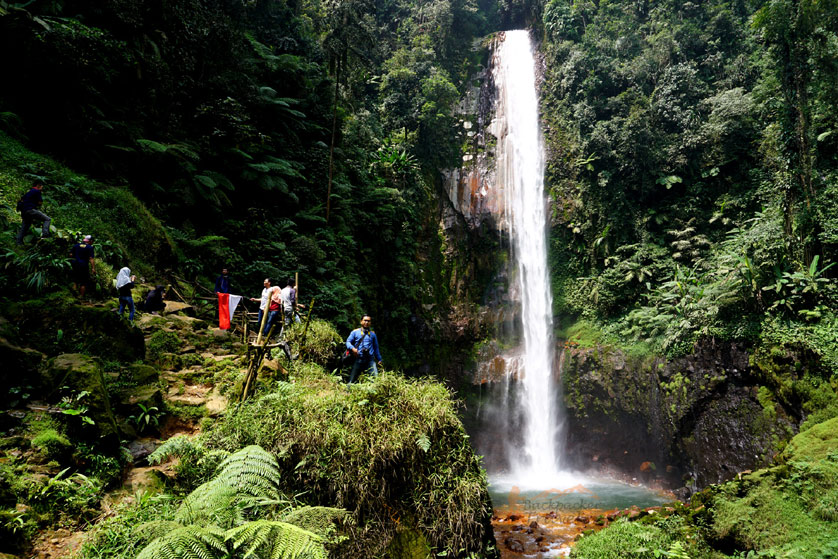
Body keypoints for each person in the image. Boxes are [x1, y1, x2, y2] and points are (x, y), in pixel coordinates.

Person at [346, 315, 383, 384]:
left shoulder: (373, 334)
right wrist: (353, 349)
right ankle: (347, 392)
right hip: (358, 358)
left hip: (370, 359)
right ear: (361, 321)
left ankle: (374, 393)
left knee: (375, 378)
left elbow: (376, 347)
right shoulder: (355, 332)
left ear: (370, 323)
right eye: (365, 320)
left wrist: (379, 359)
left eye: (368, 321)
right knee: (352, 378)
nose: (366, 322)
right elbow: (348, 342)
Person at [15, 179, 51, 245]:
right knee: (47, 219)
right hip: (30, 210)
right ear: (38, 185)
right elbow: (40, 202)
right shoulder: (37, 191)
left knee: (25, 227)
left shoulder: (29, 192)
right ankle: (45, 235)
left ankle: (18, 242)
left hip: (24, 211)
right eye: (41, 187)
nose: (41, 188)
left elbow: (21, 200)